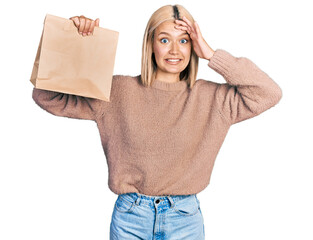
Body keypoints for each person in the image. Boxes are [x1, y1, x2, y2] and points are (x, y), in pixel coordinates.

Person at [32, 4, 282, 240]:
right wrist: (72, 40)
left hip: (185, 220)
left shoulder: (213, 99)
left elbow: (269, 92)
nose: (175, 50)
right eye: (165, 40)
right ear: (151, 45)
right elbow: (46, 96)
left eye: (183, 40)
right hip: (130, 218)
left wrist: (210, 54)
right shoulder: (118, 91)